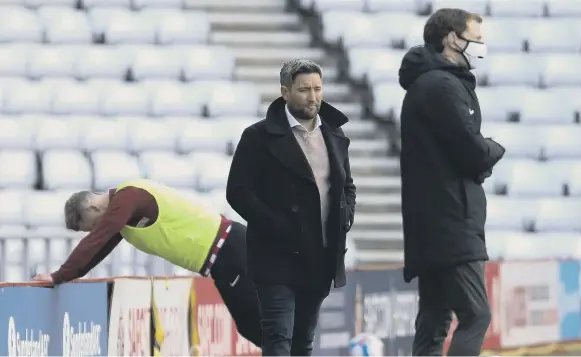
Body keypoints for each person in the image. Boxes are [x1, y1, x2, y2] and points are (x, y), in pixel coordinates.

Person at [226, 58, 356, 356]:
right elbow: (238, 192)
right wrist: (278, 227)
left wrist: (345, 215)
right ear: (285, 92)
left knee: (303, 341)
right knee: (278, 337)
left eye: (317, 89)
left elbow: (347, 185)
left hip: (320, 255)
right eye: (304, 90)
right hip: (276, 257)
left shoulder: (334, 134)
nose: (313, 97)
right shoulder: (257, 137)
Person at [32, 178, 261, 347]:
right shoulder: (122, 218)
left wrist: (57, 275)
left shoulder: (128, 198)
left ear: (93, 208)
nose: (93, 230)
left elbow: (96, 239)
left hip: (231, 250)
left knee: (260, 323)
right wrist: (62, 276)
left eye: (90, 226)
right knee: (255, 325)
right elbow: (97, 251)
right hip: (222, 259)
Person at [397, 8, 506, 356]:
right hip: (450, 222)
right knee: (476, 315)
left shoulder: (433, 83)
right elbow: (471, 152)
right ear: (451, 39)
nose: (481, 47)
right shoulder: (441, 86)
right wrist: (494, 148)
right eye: (476, 39)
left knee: (434, 321)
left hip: (435, 221)